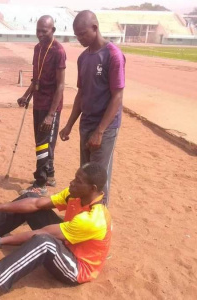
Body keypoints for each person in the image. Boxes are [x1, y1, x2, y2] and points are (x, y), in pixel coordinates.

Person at [0, 162, 111, 299]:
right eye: (75, 178)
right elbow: (37, 203)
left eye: (79, 181)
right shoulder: (75, 195)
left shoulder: (93, 219)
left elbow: (42, 233)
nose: (72, 183)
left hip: (76, 268)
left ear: (93, 189)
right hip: (68, 240)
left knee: (44, 242)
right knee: (31, 197)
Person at [59, 10, 125, 206]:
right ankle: (85, 218)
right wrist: (69, 124)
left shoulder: (113, 55)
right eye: (76, 35)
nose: (79, 38)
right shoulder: (83, 58)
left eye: (82, 34)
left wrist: (100, 131)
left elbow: (117, 96)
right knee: (85, 176)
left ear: (95, 28)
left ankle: (99, 226)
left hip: (104, 128)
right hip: (86, 125)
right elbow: (81, 94)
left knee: (98, 178)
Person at [17, 15, 66, 196]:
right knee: (41, 142)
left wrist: (51, 114)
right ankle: (50, 175)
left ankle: (41, 183)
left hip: (51, 106)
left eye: (43, 31)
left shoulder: (59, 51)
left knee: (44, 144)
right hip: (38, 102)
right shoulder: (38, 49)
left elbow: (60, 85)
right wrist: (26, 95)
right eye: (37, 31)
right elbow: (35, 79)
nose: (39, 34)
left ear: (52, 30)